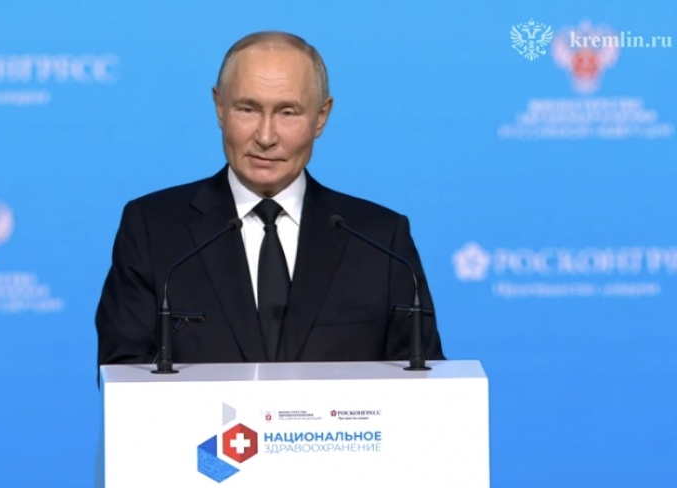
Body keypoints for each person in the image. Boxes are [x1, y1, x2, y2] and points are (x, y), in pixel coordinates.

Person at [96, 31, 444, 365]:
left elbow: (422, 380)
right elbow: (124, 378)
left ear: (321, 117)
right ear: (219, 106)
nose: (265, 136)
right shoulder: (153, 230)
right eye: (247, 109)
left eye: (287, 112)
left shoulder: (381, 240)